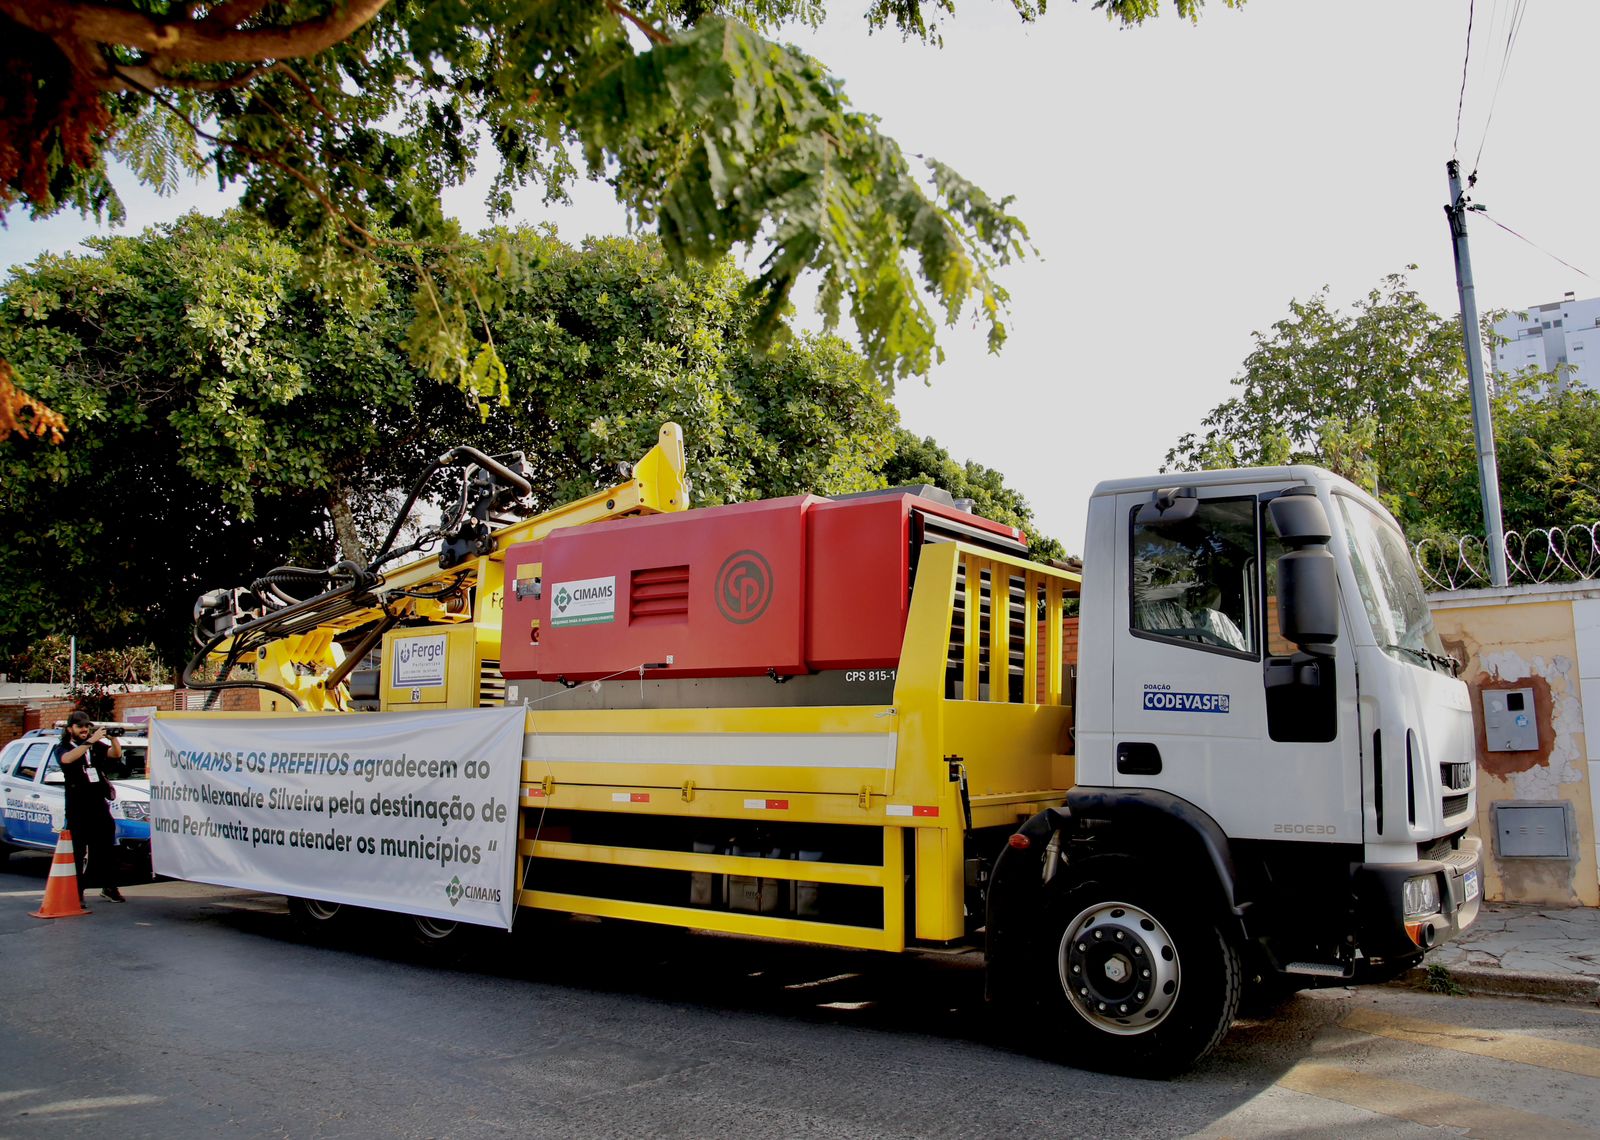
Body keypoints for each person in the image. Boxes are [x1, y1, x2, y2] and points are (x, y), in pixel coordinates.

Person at [52, 711, 125, 904]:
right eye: (80, 726)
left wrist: (113, 739)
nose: (84, 729)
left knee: (106, 848)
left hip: (98, 805)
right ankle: (77, 892)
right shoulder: (63, 747)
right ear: (70, 729)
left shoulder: (95, 746)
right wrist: (90, 741)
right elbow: (67, 759)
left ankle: (109, 886)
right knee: (78, 851)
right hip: (77, 807)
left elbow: (115, 754)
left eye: (87, 726)